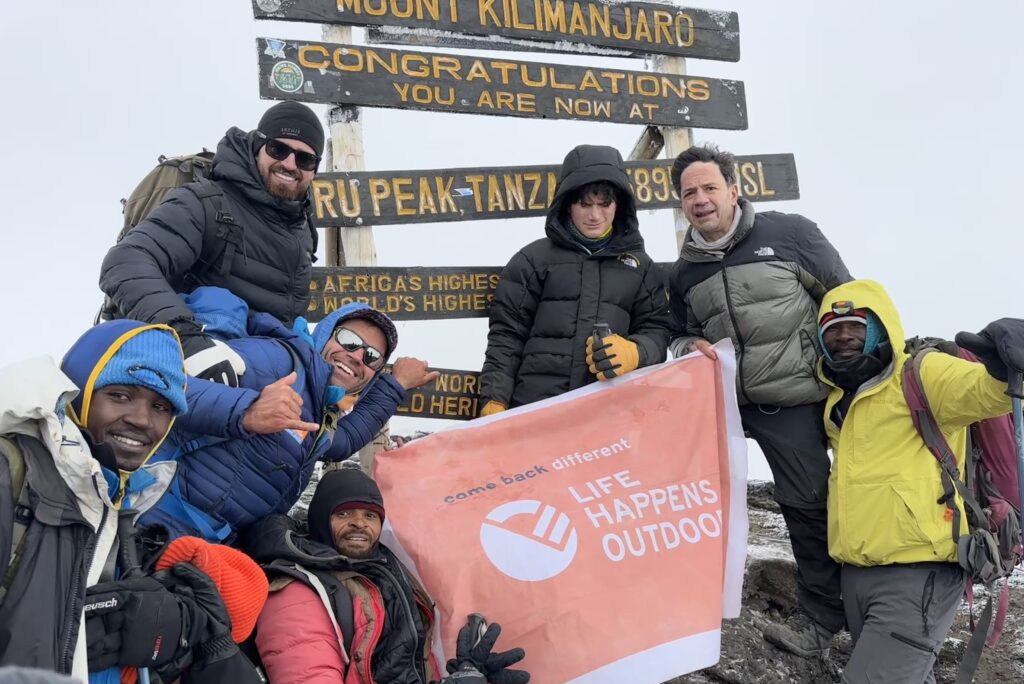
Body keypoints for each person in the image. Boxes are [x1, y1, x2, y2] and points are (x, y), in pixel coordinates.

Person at [0, 321, 248, 684]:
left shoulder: (115, 508)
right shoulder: (11, 478)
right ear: (78, 391)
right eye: (119, 395)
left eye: (160, 406)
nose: (141, 419)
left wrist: (170, 643)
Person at [813, 279, 1024, 684]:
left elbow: (987, 393)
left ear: (882, 328)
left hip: (919, 576)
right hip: (858, 576)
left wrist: (1004, 364)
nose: (843, 337)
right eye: (832, 330)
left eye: (854, 327)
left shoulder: (922, 373)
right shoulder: (837, 402)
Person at [667, 143, 851, 656]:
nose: (700, 199)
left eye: (708, 188)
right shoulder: (684, 272)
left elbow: (846, 299)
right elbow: (680, 335)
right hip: (726, 408)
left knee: (809, 506)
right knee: (694, 506)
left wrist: (850, 372)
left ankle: (824, 616)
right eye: (689, 193)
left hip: (797, 399)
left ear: (733, 189)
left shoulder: (790, 234)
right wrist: (686, 346)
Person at [241, 468, 532, 684]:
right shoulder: (297, 595)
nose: (359, 523)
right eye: (345, 514)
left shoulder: (383, 570)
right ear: (320, 520)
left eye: (370, 516)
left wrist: (466, 672)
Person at [138, 289, 438, 542]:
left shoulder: (319, 411)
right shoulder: (278, 361)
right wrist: (246, 410)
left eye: (372, 357)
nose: (357, 356)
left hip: (210, 545)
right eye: (348, 340)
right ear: (323, 335)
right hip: (150, 525)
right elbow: (157, 387)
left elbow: (343, 441)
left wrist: (396, 385)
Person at [99, 101, 325, 386]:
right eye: (278, 150)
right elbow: (125, 261)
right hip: (186, 378)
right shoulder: (206, 202)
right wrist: (187, 340)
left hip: (260, 385)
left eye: (305, 159)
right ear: (257, 145)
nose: (290, 164)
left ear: (315, 170)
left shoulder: (302, 229)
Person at [479, 144, 673, 414]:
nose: (595, 215)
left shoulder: (641, 267)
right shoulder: (532, 260)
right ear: (567, 204)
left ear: (619, 205)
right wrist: (494, 398)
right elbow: (506, 338)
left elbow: (658, 331)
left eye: (604, 204)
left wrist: (635, 352)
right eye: (585, 204)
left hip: (609, 416)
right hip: (535, 411)